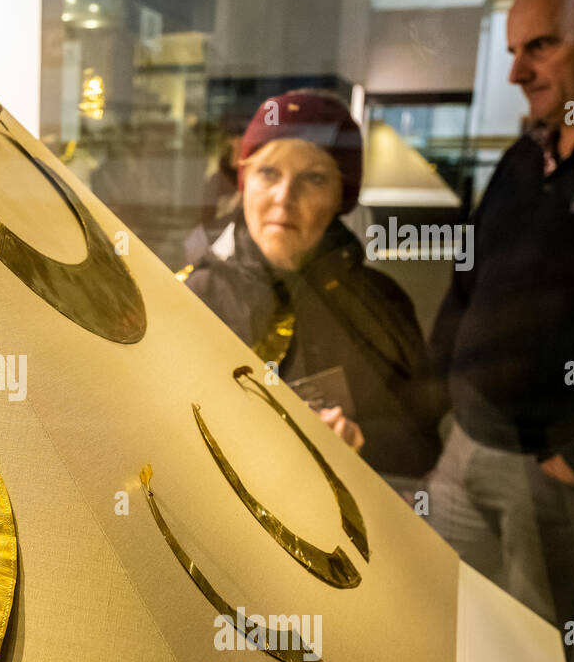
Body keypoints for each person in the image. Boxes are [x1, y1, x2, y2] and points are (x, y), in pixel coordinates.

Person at [426, 0, 574, 631]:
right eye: (513, 51)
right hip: (464, 447)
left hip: (556, 474)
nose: (516, 73)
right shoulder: (524, 155)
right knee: (462, 638)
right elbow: (467, 280)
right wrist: (436, 400)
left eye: (540, 46)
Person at [181, 90, 445, 482]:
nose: (284, 198)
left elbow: (420, 445)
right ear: (243, 181)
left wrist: (359, 439)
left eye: (314, 178)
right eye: (268, 173)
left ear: (342, 196)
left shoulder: (378, 304)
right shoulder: (195, 297)